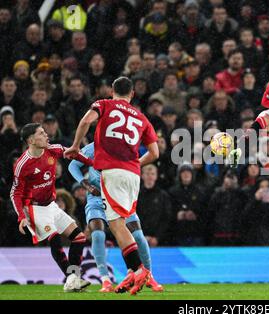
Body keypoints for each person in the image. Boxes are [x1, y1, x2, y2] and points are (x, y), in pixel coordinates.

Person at [64, 76, 159, 295]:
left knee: (116, 225)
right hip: (133, 176)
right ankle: (133, 273)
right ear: (132, 94)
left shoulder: (104, 104)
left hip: (113, 173)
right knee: (126, 225)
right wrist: (136, 163)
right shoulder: (142, 117)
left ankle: (138, 270)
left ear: (111, 91)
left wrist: (75, 145)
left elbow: (87, 121)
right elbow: (155, 153)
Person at [68, 142, 163, 293]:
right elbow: (73, 165)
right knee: (98, 235)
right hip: (97, 197)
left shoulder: (127, 144)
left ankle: (148, 275)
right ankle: (105, 280)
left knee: (138, 234)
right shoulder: (95, 146)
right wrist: (85, 183)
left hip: (120, 197)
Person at [10, 123, 92, 292]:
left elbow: (72, 153)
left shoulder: (52, 149)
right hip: (34, 208)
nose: (46, 135)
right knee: (54, 239)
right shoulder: (22, 164)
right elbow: (15, 193)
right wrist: (21, 217)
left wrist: (92, 163)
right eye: (41, 133)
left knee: (79, 238)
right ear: (31, 140)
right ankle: (71, 278)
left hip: (51, 205)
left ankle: (73, 279)